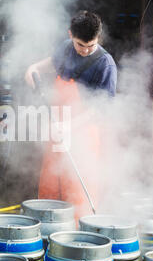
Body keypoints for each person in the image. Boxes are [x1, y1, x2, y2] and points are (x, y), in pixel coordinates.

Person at [24, 11, 117, 219]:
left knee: (77, 190)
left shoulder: (105, 64)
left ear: (98, 38)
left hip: (84, 135)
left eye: (90, 46)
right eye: (79, 45)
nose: (84, 51)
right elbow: (46, 66)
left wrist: (70, 127)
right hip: (57, 128)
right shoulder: (65, 48)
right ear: (70, 35)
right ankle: (47, 228)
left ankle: (75, 238)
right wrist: (32, 70)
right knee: (50, 182)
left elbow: (102, 109)